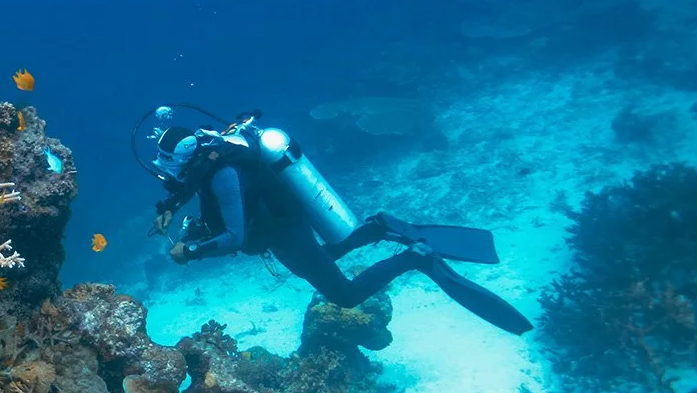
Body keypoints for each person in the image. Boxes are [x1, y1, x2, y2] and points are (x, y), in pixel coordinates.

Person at [147, 115, 532, 334]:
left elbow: (235, 237)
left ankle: (414, 257)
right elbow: (188, 182)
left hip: (284, 231)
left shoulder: (223, 176)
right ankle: (376, 228)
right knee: (319, 260)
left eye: (170, 162)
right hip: (283, 224)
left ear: (186, 155)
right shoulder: (211, 147)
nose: (168, 169)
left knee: (345, 295)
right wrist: (168, 206)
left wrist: (190, 252)